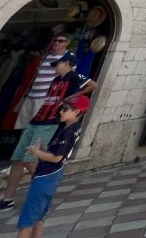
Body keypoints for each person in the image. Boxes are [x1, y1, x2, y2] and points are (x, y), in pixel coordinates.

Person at [0, 52, 96, 211]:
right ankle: (8, 199)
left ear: (67, 63)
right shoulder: (56, 80)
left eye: (58, 63)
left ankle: (44, 191)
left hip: (50, 122)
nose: (55, 67)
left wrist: (72, 97)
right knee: (17, 159)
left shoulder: (73, 76)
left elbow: (93, 85)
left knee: (30, 159)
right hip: (37, 120)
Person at [15, 94, 89, 238]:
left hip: (46, 175)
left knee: (27, 220)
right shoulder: (71, 126)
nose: (61, 111)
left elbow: (57, 158)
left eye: (65, 109)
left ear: (76, 112)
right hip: (53, 174)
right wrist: (43, 151)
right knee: (39, 215)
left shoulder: (68, 131)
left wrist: (36, 152)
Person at [14, 34, 72, 131]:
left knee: (33, 127)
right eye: (55, 40)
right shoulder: (47, 56)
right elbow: (37, 75)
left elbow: (68, 79)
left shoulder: (68, 58)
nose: (56, 43)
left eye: (60, 41)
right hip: (31, 95)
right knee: (22, 126)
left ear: (67, 43)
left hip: (44, 98)